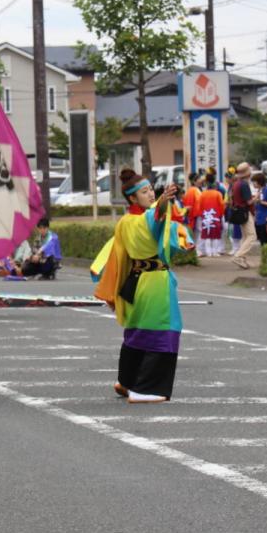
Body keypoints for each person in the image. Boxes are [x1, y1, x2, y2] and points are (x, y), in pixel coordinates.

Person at [94, 168, 193, 403]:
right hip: (155, 282)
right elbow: (156, 218)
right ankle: (146, 389)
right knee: (163, 331)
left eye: (151, 190)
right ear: (132, 197)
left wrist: (114, 292)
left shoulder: (124, 223)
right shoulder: (144, 220)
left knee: (136, 332)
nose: (149, 194)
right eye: (144, 192)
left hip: (135, 283)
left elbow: (118, 257)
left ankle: (126, 381)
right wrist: (162, 202)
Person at [228, 162, 256, 265]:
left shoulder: (236, 183)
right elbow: (249, 202)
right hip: (244, 212)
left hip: (238, 211)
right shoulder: (244, 184)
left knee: (245, 236)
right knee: (252, 236)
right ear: (248, 173)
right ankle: (238, 256)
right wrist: (256, 198)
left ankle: (242, 258)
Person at [196, 172, 225, 258]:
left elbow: (200, 206)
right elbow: (221, 206)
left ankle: (209, 252)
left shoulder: (202, 194)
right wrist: (221, 215)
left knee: (207, 235)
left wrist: (202, 215)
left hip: (206, 216)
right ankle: (215, 252)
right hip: (215, 216)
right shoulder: (218, 194)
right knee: (215, 235)